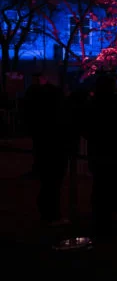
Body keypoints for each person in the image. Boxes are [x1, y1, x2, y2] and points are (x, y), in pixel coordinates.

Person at [83, 72, 117, 238]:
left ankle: (100, 218)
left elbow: (86, 126)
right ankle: (107, 222)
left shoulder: (93, 103)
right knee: (112, 185)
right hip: (114, 151)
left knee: (100, 185)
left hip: (98, 150)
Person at [23, 74, 68, 224]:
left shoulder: (38, 117)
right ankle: (51, 214)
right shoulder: (56, 122)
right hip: (53, 149)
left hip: (44, 146)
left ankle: (47, 212)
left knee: (48, 182)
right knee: (52, 182)